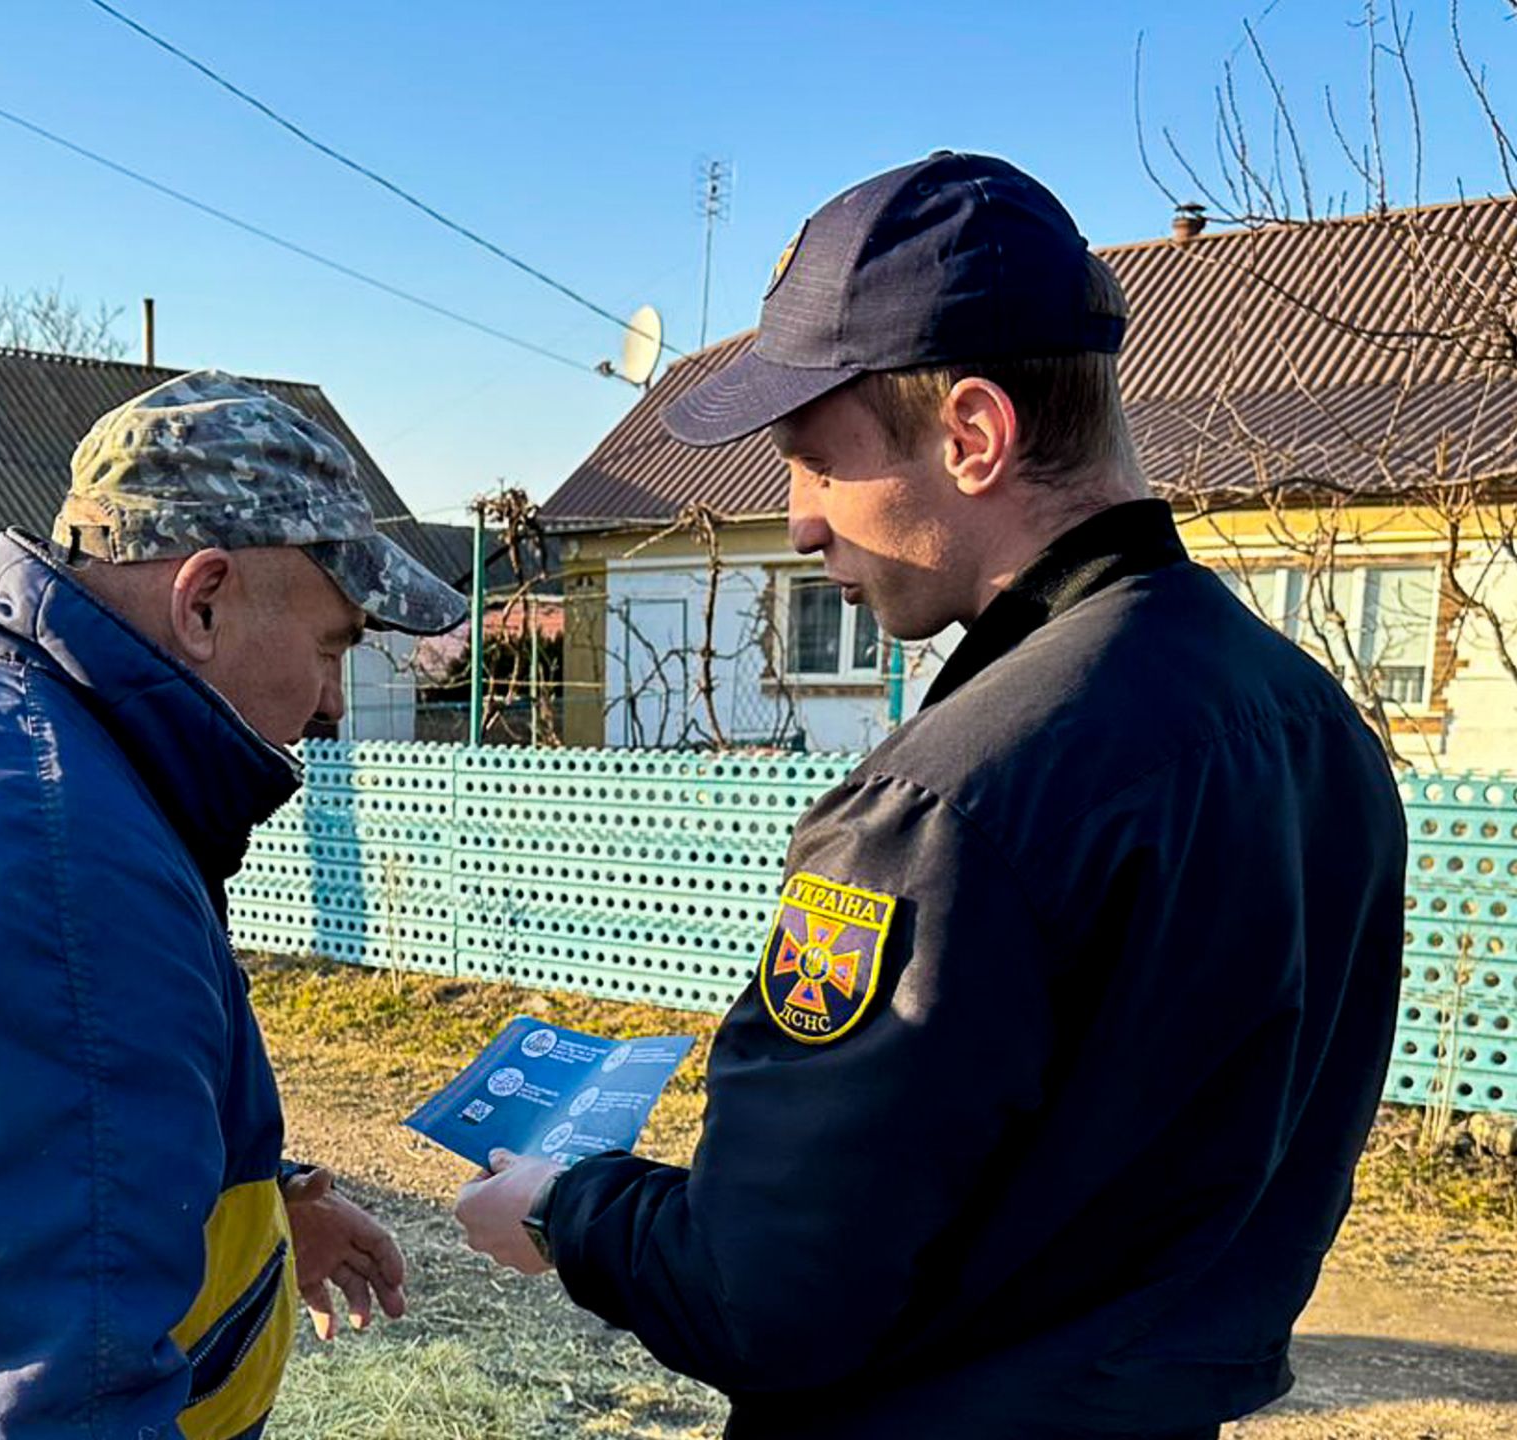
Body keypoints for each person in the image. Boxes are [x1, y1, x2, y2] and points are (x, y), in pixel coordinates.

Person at [455, 152, 1406, 1439]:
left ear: (971, 436)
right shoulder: (1312, 727)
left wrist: (566, 1212)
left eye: (814, 462)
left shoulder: (945, 806)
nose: (801, 524)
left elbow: (761, 1294)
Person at [0, 371, 465, 1438]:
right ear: (202, 602)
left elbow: (54, 1136)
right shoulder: (45, 863)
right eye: (333, 645)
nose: (334, 701)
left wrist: (265, 1204)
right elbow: (42, 1403)